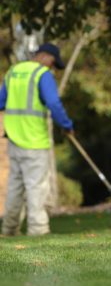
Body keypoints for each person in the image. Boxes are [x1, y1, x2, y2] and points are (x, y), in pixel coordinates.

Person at [0, 43, 73, 236]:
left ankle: (9, 229)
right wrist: (66, 125)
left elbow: (1, 101)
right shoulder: (42, 75)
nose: (53, 68)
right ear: (45, 56)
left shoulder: (13, 71)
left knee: (16, 186)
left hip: (14, 139)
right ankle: (38, 230)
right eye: (53, 64)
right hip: (34, 140)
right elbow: (53, 103)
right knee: (36, 186)